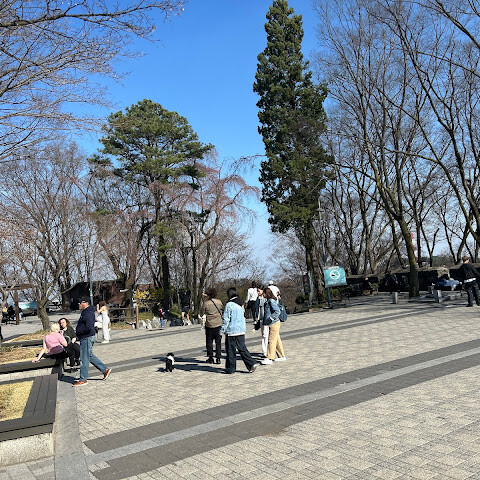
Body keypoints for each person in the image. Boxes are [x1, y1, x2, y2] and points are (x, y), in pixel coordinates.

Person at [220, 287, 259, 374]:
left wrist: (222, 330)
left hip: (231, 330)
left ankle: (230, 368)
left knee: (231, 350)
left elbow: (226, 319)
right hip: (241, 329)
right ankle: (251, 363)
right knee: (242, 348)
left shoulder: (229, 305)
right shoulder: (240, 303)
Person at [74, 297, 111, 386]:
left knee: (84, 358)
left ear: (85, 303)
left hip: (86, 337)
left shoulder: (88, 313)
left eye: (80, 303)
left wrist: (79, 332)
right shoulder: (86, 312)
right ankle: (105, 370)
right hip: (86, 337)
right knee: (89, 356)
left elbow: (89, 327)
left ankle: (83, 379)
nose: (79, 305)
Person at [261, 287, 286, 365]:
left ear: (267, 294)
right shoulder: (268, 301)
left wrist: (271, 318)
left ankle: (269, 358)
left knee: (271, 340)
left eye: (264, 293)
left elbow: (277, 311)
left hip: (274, 323)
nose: (263, 294)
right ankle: (281, 356)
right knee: (277, 339)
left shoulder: (271, 301)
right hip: (273, 323)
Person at [199, 287, 224, 364]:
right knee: (218, 342)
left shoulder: (206, 303)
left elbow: (201, 313)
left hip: (209, 325)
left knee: (209, 342)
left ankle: (210, 357)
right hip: (218, 323)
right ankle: (218, 358)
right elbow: (222, 310)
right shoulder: (219, 302)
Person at [255, 286, 269, 357]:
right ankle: (264, 351)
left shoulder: (266, 298)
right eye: (257, 291)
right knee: (263, 335)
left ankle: (267, 351)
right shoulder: (258, 298)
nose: (258, 292)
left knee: (265, 335)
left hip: (266, 318)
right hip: (260, 319)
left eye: (258, 291)